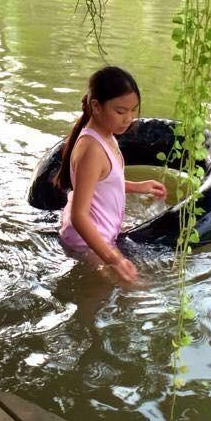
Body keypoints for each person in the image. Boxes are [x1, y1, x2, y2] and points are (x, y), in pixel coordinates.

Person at [57, 66, 166, 283]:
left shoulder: (106, 135)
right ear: (96, 106)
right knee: (134, 290)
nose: (129, 118)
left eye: (133, 110)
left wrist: (137, 186)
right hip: (85, 239)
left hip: (99, 227)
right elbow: (80, 216)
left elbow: (104, 182)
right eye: (120, 111)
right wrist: (112, 258)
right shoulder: (92, 150)